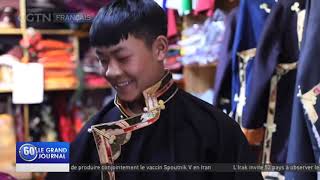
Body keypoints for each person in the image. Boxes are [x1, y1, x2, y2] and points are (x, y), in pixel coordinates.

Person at [47, 0, 263, 179]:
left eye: (123, 58)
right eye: (103, 60)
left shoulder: (214, 130)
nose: (110, 72)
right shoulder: (94, 131)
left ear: (160, 48)